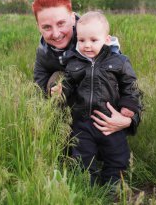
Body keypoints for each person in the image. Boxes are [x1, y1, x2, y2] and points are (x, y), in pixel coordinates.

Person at [50, 11, 142, 185]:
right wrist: (62, 90)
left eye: (93, 40)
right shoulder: (74, 62)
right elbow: (69, 83)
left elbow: (130, 86)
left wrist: (128, 105)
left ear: (107, 40)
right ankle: (87, 187)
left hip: (110, 121)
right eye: (82, 40)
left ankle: (112, 187)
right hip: (83, 122)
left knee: (117, 157)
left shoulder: (119, 62)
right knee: (82, 157)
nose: (87, 45)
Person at [32, 0, 140, 136]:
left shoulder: (95, 39)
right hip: (78, 113)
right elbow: (39, 91)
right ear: (38, 26)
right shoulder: (44, 52)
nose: (56, 34)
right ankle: (66, 138)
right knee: (57, 78)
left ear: (72, 18)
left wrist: (129, 120)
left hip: (103, 110)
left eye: (61, 23)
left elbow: (129, 85)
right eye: (47, 27)